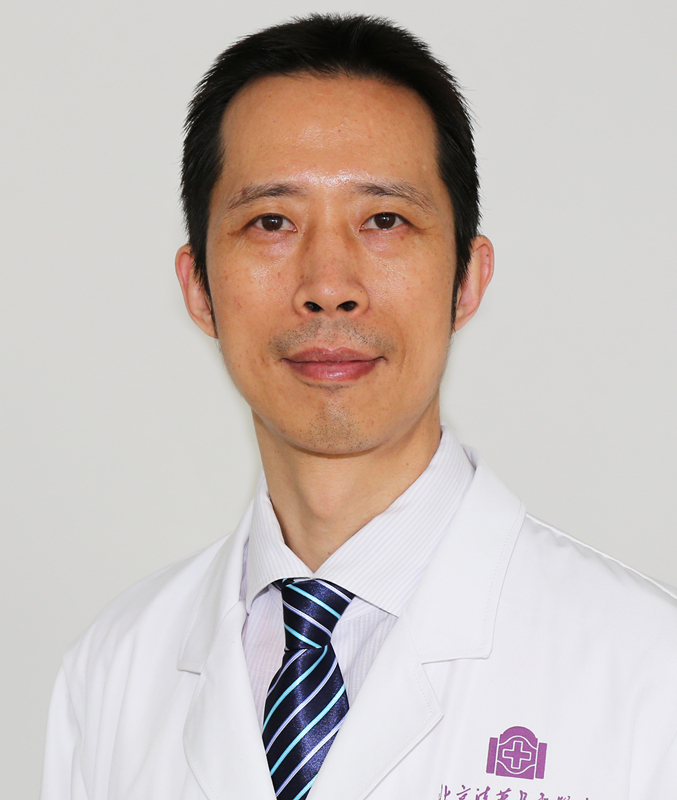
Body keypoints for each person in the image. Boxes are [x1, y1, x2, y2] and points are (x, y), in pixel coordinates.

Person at [40, 13, 677, 800]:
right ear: (198, 287)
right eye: (271, 222)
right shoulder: (113, 671)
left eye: (384, 220)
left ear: (467, 280)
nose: (328, 285)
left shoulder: (649, 672)